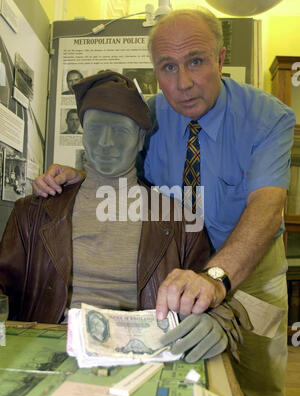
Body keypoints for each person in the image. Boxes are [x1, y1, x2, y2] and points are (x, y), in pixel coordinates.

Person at [32, 9, 296, 396]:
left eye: (196, 61)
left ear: (221, 58)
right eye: (168, 67)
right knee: (181, 379)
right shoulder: (149, 116)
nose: (183, 83)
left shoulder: (268, 118)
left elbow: (267, 205)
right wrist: (79, 176)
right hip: (175, 267)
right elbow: (118, 165)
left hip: (251, 269)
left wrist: (216, 278)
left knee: (256, 386)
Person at [0, 70, 250, 367]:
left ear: (141, 139)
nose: (105, 142)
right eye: (94, 129)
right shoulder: (33, 212)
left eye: (119, 131)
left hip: (142, 356)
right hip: (50, 351)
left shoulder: (180, 221)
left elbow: (207, 289)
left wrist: (217, 322)